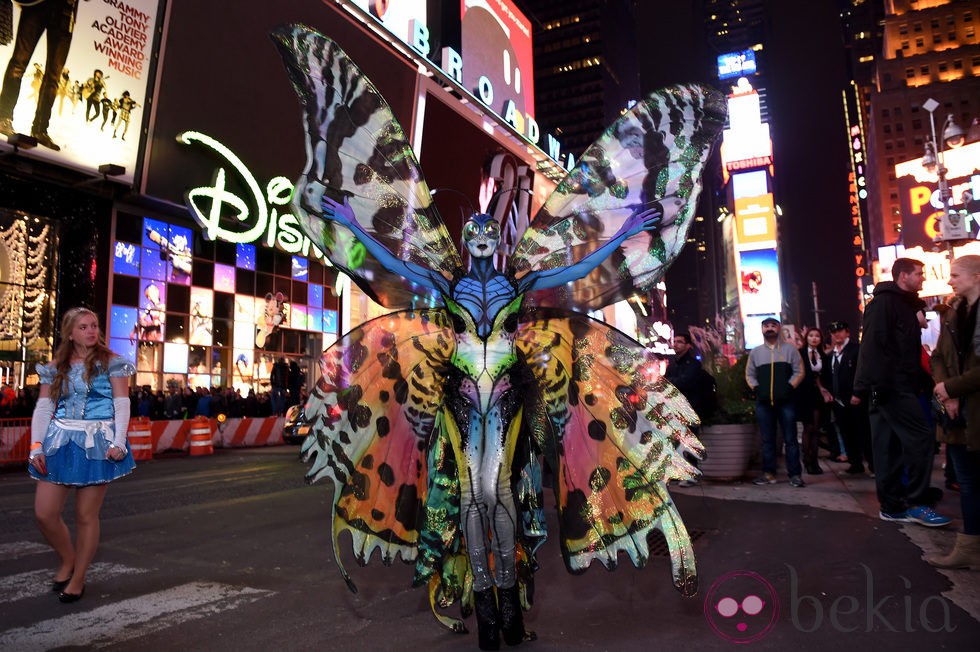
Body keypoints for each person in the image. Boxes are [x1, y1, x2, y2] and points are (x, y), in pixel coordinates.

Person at [27, 307, 136, 603]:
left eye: (95, 326)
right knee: (44, 512)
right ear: (71, 332)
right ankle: (68, 558)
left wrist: (119, 441)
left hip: (97, 442)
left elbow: (122, 403)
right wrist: (36, 445)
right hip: (60, 440)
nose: (91, 331)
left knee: (86, 515)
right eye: (84, 327)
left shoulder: (113, 363)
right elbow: (44, 408)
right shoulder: (55, 366)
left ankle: (78, 578)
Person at [855, 257, 952, 527]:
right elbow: (873, 347)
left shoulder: (902, 304)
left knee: (888, 446)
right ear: (903, 276)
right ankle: (917, 503)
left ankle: (892, 505)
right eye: (919, 274)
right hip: (891, 386)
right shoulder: (885, 304)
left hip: (893, 386)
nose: (922, 278)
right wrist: (875, 387)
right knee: (922, 437)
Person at [929, 255, 980, 568]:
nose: (950, 281)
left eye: (956, 275)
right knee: (969, 484)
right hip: (956, 416)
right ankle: (969, 548)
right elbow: (936, 358)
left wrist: (951, 388)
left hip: (976, 412)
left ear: (976, 276)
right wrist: (944, 391)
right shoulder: (952, 314)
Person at [0, 0, 85, 150]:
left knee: (53, 76)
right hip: (37, 5)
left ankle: (40, 130)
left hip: (65, 12)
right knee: (19, 63)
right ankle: (3, 117)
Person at [745, 317, 805, 487]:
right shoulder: (756, 352)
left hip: (786, 402)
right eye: (766, 326)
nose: (770, 328)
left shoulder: (790, 350)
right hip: (764, 403)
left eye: (773, 325)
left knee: (791, 439)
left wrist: (789, 387)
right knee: (766, 440)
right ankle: (768, 473)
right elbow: (749, 374)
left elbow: (799, 371)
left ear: (779, 329)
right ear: (762, 330)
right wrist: (757, 389)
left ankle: (795, 475)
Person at [821, 320, 874, 476]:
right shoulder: (831, 355)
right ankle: (855, 464)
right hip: (838, 402)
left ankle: (873, 466)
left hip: (857, 400)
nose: (837, 334)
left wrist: (858, 393)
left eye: (840, 331)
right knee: (846, 434)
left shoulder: (856, 350)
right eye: (833, 332)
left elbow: (864, 374)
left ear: (847, 333)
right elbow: (828, 377)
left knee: (864, 434)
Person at [665, 331, 715, 486]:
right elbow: (667, 382)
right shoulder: (672, 364)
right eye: (675, 341)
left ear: (688, 345)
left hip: (691, 407)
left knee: (690, 441)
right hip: (675, 407)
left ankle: (692, 474)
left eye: (680, 342)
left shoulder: (693, 364)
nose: (676, 344)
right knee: (675, 441)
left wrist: (673, 382)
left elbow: (683, 383)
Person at [797, 327, 827, 475]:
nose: (814, 338)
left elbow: (825, 375)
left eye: (817, 336)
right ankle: (807, 460)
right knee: (808, 427)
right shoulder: (800, 354)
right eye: (811, 336)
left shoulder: (823, 355)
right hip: (804, 394)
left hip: (818, 395)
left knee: (816, 428)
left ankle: (814, 461)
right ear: (806, 338)